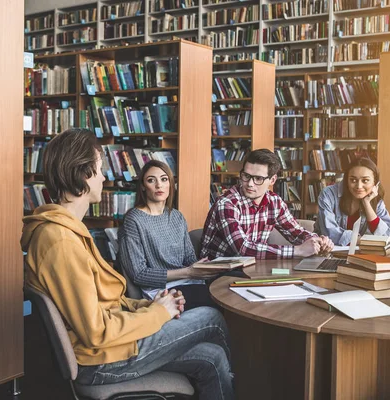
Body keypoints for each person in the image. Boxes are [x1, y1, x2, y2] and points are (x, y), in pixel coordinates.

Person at [20, 128, 234, 399]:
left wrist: (150, 305)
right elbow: (97, 332)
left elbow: (102, 305)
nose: (104, 177)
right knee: (211, 317)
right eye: (99, 169)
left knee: (212, 357)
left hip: (113, 346)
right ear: (84, 173)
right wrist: (160, 314)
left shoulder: (68, 231)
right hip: (101, 360)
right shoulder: (60, 240)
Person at [119, 160, 223, 310]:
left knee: (229, 284)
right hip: (161, 291)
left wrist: (203, 267)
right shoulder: (134, 220)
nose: (159, 185)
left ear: (170, 184)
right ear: (142, 186)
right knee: (218, 299)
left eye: (164, 179)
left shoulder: (176, 217)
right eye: (151, 180)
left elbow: (189, 259)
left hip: (188, 281)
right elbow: (139, 274)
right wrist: (188, 272)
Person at [201, 148, 334, 259]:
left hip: (252, 267)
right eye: (246, 176)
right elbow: (243, 248)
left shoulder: (274, 202)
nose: (250, 184)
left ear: (272, 180)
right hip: (218, 271)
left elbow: (296, 232)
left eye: (258, 178)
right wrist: (298, 250)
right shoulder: (227, 204)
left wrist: (317, 241)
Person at [315, 157, 390, 246]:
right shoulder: (328, 194)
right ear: (346, 180)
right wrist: (365, 241)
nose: (359, 186)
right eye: (353, 180)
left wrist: (367, 203)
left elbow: (387, 235)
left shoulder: (375, 198)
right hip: (329, 252)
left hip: (363, 254)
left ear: (375, 183)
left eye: (365, 180)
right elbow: (330, 233)